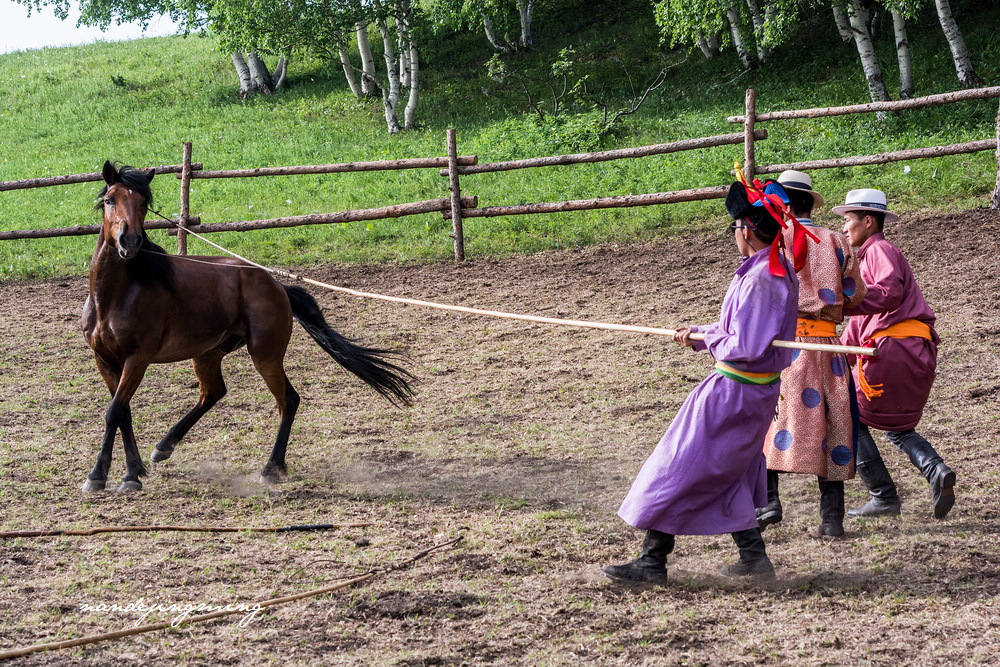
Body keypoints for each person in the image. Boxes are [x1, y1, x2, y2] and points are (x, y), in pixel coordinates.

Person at [602, 176, 803, 584]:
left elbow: (745, 344)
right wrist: (700, 333)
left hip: (734, 390)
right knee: (731, 468)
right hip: (754, 391)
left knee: (681, 463)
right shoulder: (771, 269)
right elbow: (741, 331)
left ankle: (652, 560)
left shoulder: (762, 279)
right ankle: (753, 558)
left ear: (747, 229)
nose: (734, 234)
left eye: (735, 227)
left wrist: (709, 338)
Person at [755, 170, 867, 538]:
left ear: (782, 204)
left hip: (787, 347)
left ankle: (769, 501)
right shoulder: (836, 240)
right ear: (809, 204)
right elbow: (855, 293)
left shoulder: (775, 238)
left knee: (771, 418)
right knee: (834, 425)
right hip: (828, 349)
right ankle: (831, 520)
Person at [834, 188, 956, 520]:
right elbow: (862, 322)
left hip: (890, 350)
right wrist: (838, 357)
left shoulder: (879, 250)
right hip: (912, 350)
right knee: (896, 426)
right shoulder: (871, 258)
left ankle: (883, 496)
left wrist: (840, 302)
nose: (844, 228)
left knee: (848, 416)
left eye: (848, 220)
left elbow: (888, 293)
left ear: (868, 221)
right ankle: (935, 469)